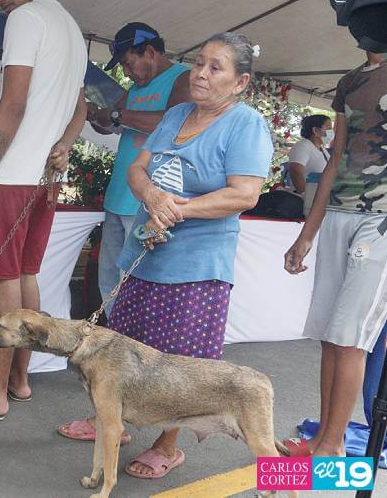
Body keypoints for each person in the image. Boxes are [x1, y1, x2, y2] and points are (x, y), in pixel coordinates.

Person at [79, 32, 273, 479]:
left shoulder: (245, 124)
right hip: (143, 258)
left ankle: (168, 444)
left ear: (240, 83)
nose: (201, 74)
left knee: (180, 368)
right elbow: (136, 167)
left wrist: (177, 208)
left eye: (215, 68)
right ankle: (111, 422)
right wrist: (149, 194)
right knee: (123, 353)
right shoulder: (179, 113)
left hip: (194, 268)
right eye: (199, 63)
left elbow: (244, 194)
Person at [0, 0, 87, 419]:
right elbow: (81, 106)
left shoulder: (26, 19)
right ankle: (19, 380)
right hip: (45, 178)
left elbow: (13, 102)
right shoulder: (70, 25)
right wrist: (64, 144)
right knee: (26, 274)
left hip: (12, 176)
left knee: (4, 281)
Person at [59, 22, 191, 442]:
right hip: (119, 198)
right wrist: (105, 119)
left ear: (150, 49)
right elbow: (126, 126)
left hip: (150, 204)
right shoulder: (134, 89)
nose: (129, 69)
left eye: (131, 60)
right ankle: (113, 407)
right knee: (114, 299)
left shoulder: (182, 78)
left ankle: (131, 406)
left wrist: (117, 114)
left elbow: (173, 123)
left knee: (142, 304)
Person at [284, 50, 387, 457]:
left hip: (380, 220)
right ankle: (328, 440)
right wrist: (307, 233)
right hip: (340, 213)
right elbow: (334, 158)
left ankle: (329, 448)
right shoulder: (350, 80)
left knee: (350, 338)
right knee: (330, 336)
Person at [286, 114, 332, 194]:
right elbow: (295, 171)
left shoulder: (323, 150)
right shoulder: (303, 146)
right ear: (315, 130)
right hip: (304, 200)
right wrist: (305, 195)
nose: (331, 132)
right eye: (328, 129)